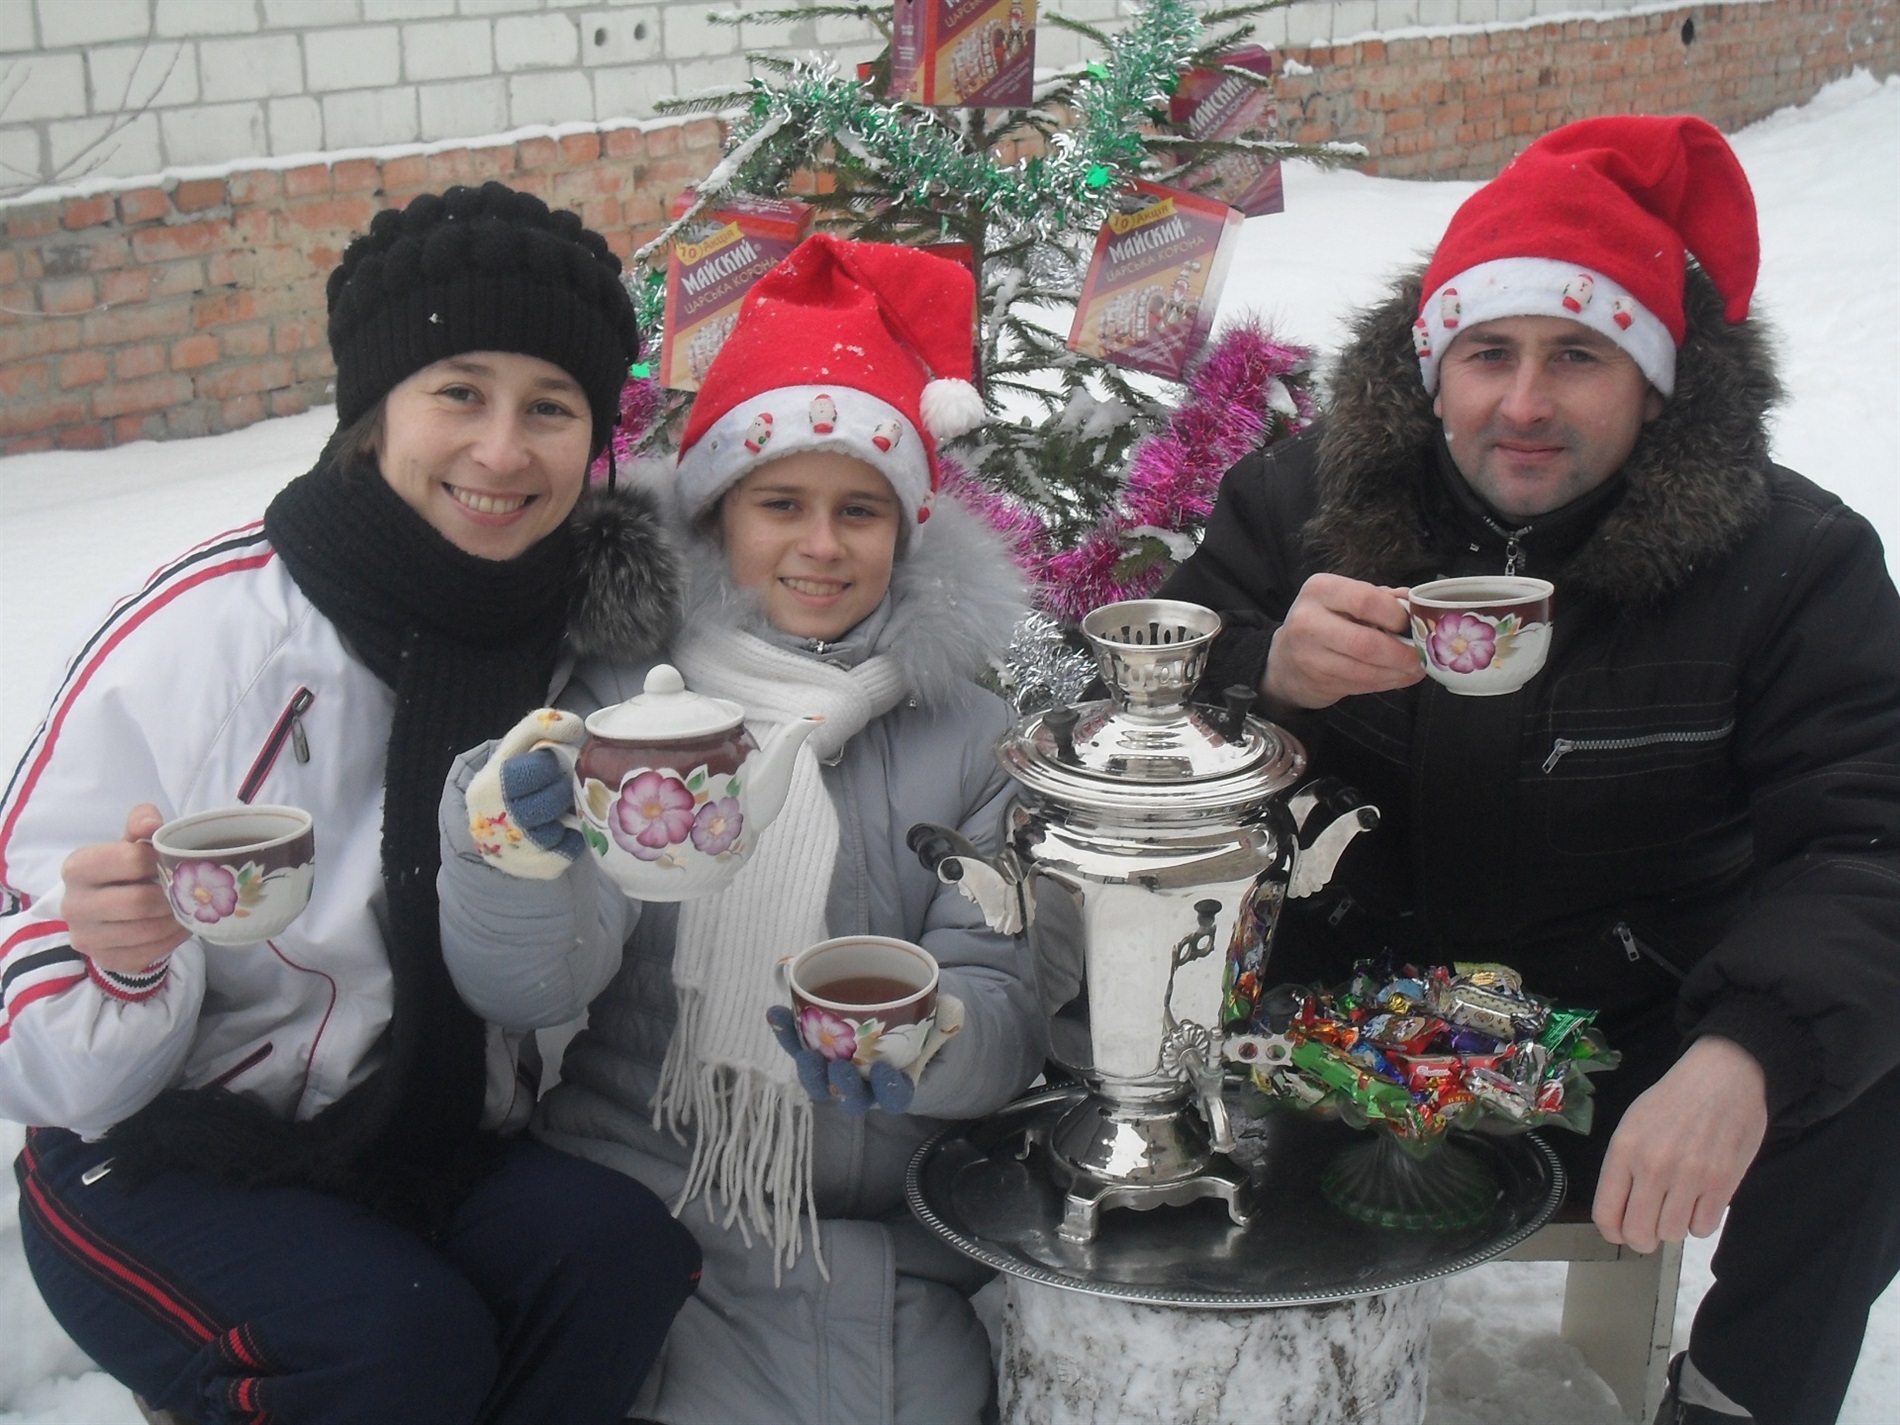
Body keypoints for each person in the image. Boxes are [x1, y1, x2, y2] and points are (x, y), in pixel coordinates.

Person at [1159, 116, 1900, 1425]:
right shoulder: (1296, 506)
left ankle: (1736, 1401)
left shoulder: (1794, 561)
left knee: (1871, 1064)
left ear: (1658, 384)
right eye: (1489, 352)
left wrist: (1747, 1047)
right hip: (1331, 1037)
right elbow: (1139, 712)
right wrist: (1262, 672)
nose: (1524, 404)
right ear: (1431, 369)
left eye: (1580, 355)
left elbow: (1866, 837)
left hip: (1623, 1041)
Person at [0, 182, 703, 1425]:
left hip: (419, 1136)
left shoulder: (580, 657)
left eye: (550, 407)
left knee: (616, 1257)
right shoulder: (213, 638)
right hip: (156, 1147)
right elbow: (35, 1012)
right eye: (459, 393)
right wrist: (116, 960)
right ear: (375, 412)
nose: (502, 451)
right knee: (394, 1345)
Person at [436, 233, 1047, 1425]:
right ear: (719, 516)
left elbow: (1002, 996)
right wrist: (512, 858)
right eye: (780, 504)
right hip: (655, 1205)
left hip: (905, 1246)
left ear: (906, 529)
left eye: (859, 510)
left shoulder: (970, 736)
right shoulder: (631, 708)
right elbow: (530, 987)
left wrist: (931, 1041)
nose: (820, 546)